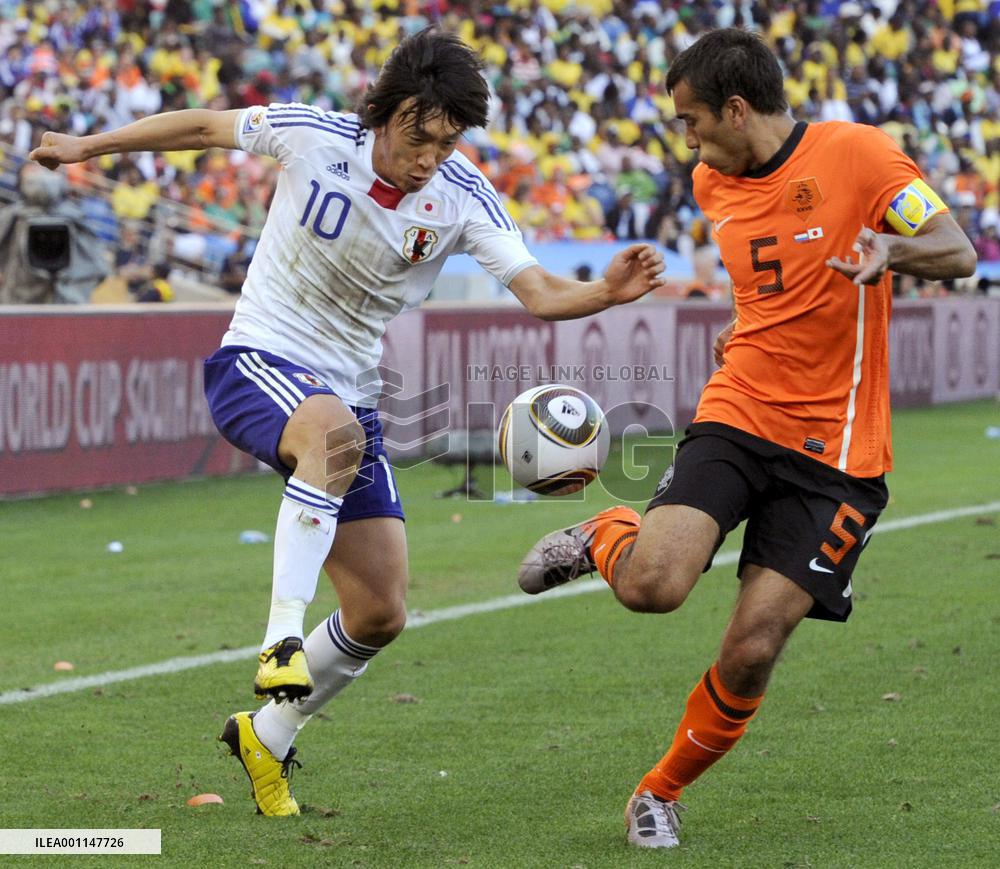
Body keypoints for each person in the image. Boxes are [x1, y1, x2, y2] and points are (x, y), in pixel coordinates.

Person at [30, 27, 664, 817]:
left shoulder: (462, 196)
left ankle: (268, 732)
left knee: (380, 609)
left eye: (446, 140)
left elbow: (537, 292)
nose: (429, 154)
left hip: (348, 397)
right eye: (418, 134)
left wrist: (604, 292)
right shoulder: (313, 135)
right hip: (257, 359)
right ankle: (280, 640)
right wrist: (87, 146)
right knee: (334, 434)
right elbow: (199, 127)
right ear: (386, 111)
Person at [516, 28, 976, 850]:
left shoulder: (862, 157)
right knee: (654, 585)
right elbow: (770, 276)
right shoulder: (711, 180)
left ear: (736, 108)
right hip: (740, 411)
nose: (686, 141)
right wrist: (744, 323)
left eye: (692, 120)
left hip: (838, 455)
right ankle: (608, 533)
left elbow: (958, 248)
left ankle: (659, 790)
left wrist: (891, 251)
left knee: (754, 647)